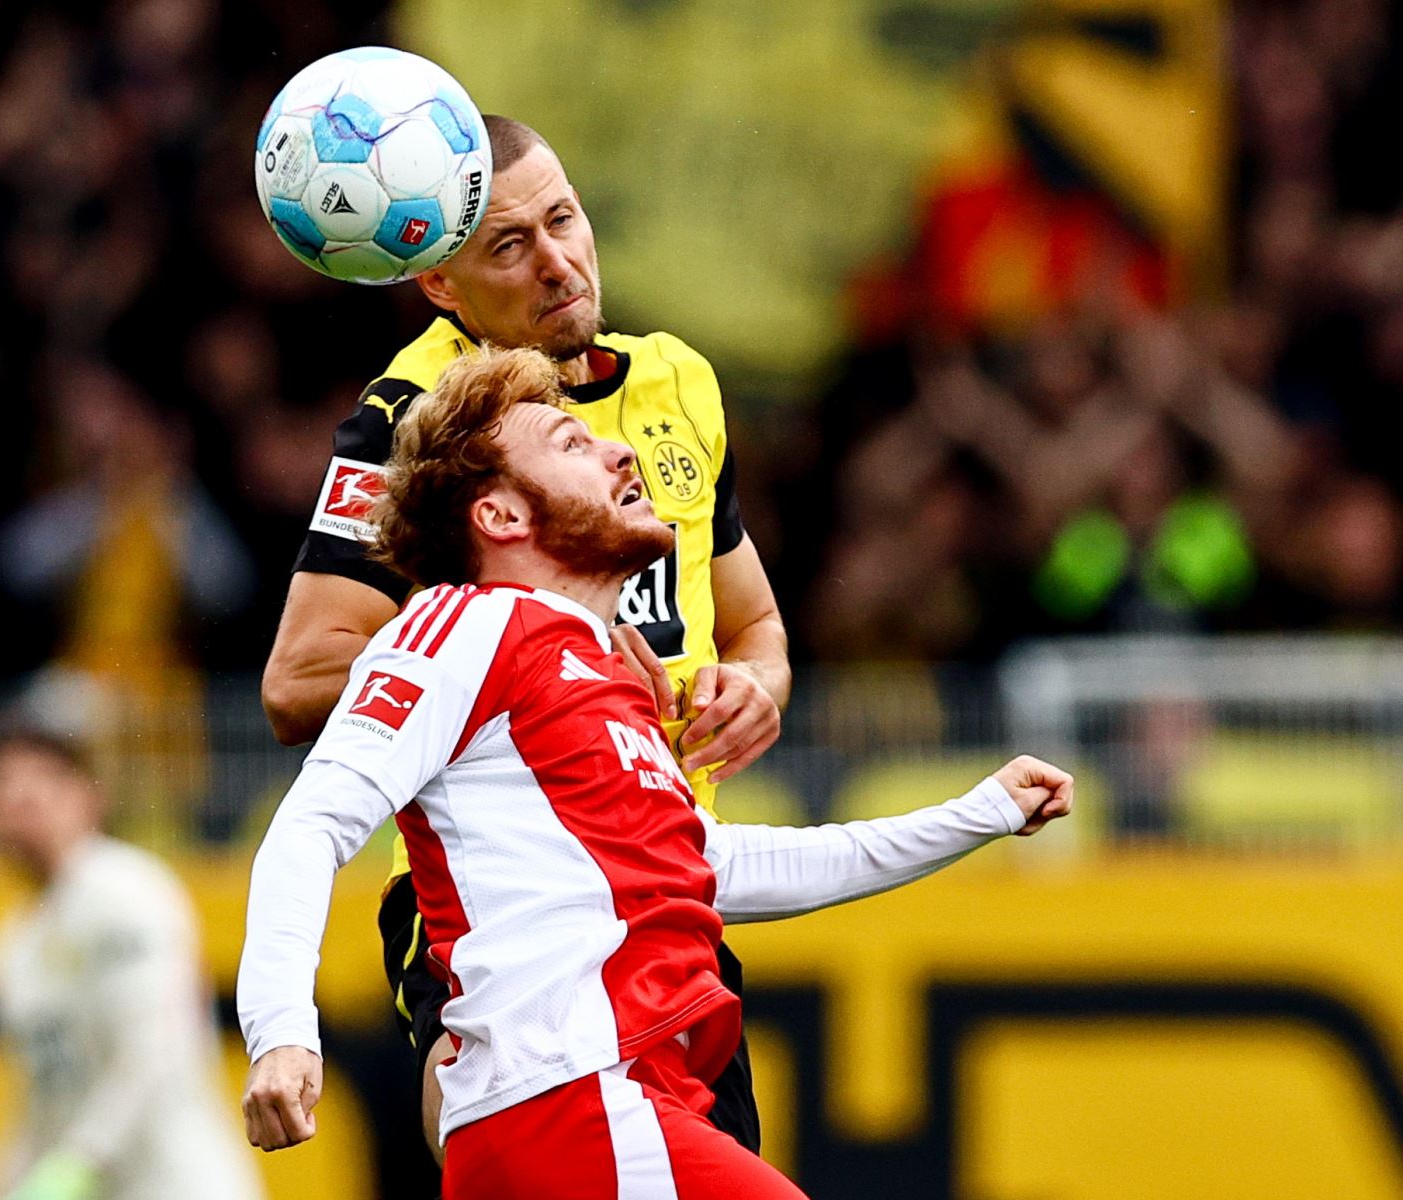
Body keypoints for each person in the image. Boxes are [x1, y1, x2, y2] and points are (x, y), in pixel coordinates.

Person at [237, 347, 1073, 1199]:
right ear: (499, 515)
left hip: (628, 1101)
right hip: (566, 1100)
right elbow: (313, 823)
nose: (620, 451)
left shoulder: (610, 683)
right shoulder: (462, 623)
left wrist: (977, 815)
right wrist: (282, 1031)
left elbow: (719, 869)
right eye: (571, 444)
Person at [259, 113, 790, 1164]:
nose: (557, 262)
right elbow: (300, 676)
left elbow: (755, 624)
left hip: (670, 898)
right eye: (509, 245)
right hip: (504, 913)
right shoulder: (416, 420)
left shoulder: (677, 381)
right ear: (442, 285)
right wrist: (542, 661)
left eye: (564, 219)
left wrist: (756, 685)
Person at [0, 728, 264, 1200]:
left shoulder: (128, 891)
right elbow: (37, 1106)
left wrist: (77, 1162)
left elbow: (154, 1051)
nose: (20, 796)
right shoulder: (10, 949)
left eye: (43, 778)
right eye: (3, 781)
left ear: (89, 797)